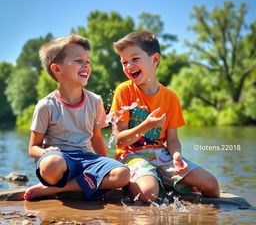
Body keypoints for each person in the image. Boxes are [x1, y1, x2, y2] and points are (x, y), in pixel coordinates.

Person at [110, 31, 220, 203]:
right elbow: (120, 141)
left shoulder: (170, 97)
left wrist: (177, 156)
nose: (128, 66)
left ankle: (163, 179)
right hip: (132, 155)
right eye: (124, 62)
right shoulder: (124, 91)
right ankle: (151, 181)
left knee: (211, 185)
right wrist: (146, 125)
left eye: (135, 59)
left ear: (154, 60)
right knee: (148, 194)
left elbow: (173, 139)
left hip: (162, 155)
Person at [24, 34, 130, 201]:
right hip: (60, 159)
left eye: (88, 61)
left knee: (123, 174)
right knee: (52, 165)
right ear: (57, 69)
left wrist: (105, 167)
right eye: (79, 60)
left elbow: (96, 139)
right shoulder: (46, 105)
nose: (86, 65)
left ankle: (56, 189)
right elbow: (32, 148)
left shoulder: (95, 101)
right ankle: (83, 183)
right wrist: (45, 151)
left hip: (86, 159)